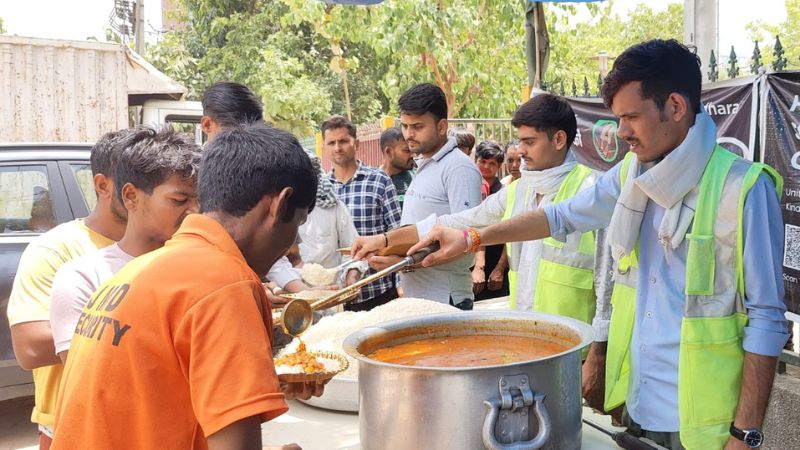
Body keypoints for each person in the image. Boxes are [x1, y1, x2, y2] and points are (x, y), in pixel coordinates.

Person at [406, 40, 788, 450]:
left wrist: (744, 435)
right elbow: (560, 216)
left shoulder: (744, 188)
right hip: (639, 403)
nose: (621, 131)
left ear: (675, 107)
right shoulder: (632, 175)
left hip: (708, 425)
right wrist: (473, 236)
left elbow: (766, 320)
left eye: (631, 117)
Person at [52, 123, 322, 450]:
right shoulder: (225, 283)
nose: (292, 243)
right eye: (299, 223)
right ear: (279, 205)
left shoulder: (139, 270)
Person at [353, 93, 609, 331]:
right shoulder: (518, 190)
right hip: (528, 334)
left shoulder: (592, 190)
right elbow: (458, 221)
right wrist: (385, 240)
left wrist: (599, 346)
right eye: (520, 141)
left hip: (577, 340)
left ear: (559, 139)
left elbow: (607, 280)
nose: (520, 150)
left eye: (529, 142)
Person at [6, 129, 130, 449]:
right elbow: (30, 348)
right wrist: (139, 329)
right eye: (134, 183)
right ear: (102, 185)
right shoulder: (56, 249)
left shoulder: (167, 244)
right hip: (72, 423)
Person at [49, 127, 201, 364]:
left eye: (200, 200)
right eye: (179, 200)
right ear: (131, 196)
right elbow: (88, 375)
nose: (195, 210)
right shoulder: (83, 277)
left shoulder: (203, 268)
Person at [369, 83, 482, 309]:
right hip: (420, 299)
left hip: (446, 299)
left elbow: (466, 245)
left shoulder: (459, 169)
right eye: (405, 126)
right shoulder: (424, 165)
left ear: (442, 126)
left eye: (418, 126)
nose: (409, 134)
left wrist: (404, 264)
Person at [200, 81, 312, 299]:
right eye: (236, 133)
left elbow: (263, 240)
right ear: (207, 125)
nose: (246, 143)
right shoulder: (187, 176)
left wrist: (300, 290)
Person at [324, 115, 402, 311]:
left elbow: (398, 234)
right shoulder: (321, 189)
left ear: (356, 143)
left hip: (376, 290)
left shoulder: (379, 181)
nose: (337, 148)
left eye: (343, 141)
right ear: (325, 147)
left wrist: (401, 282)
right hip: (335, 298)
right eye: (331, 143)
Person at [296, 156, 363, 284]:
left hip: (330, 293)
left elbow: (352, 250)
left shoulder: (334, 207)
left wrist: (352, 275)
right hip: (290, 295)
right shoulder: (278, 210)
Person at [472, 140, 508, 299]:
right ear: (475, 161)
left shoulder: (504, 194)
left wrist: (500, 268)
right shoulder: (468, 189)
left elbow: (511, 235)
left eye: (491, 163)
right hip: (470, 262)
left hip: (496, 261)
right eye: (482, 161)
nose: (486, 167)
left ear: (499, 166)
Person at [379, 127, 415, 210]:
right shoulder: (375, 183)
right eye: (407, 150)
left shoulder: (418, 177)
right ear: (388, 152)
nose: (413, 155)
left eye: (412, 150)